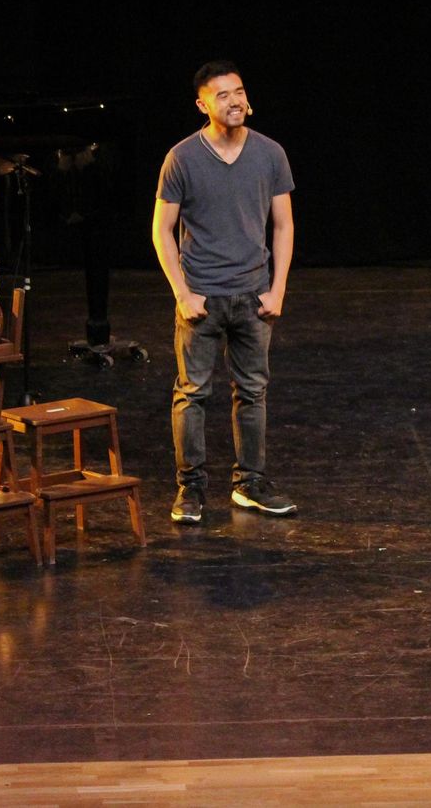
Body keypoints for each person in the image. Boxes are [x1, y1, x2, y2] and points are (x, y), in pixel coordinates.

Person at [152, 60, 298, 523]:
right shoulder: (182, 158)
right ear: (202, 105)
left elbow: (283, 225)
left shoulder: (270, 153)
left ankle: (250, 484)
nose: (234, 101)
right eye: (222, 95)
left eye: (238, 91)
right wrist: (183, 293)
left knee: (253, 392)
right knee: (192, 394)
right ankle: (190, 489)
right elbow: (162, 231)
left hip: (253, 296)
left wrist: (277, 290)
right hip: (203, 298)